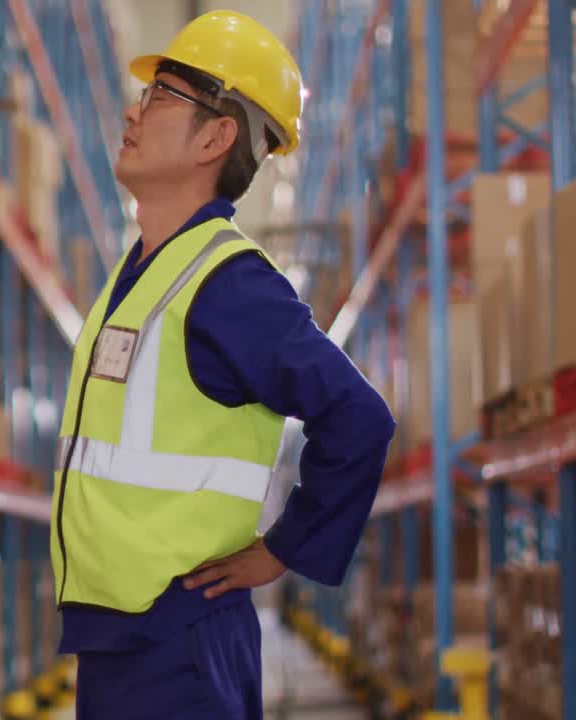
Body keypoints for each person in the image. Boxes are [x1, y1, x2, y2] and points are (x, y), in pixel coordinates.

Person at [49, 11, 396, 719]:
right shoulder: (143, 269)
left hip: (176, 639)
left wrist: (284, 548)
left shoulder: (228, 282)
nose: (132, 110)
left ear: (216, 135)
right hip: (121, 633)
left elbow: (359, 417)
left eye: (161, 96)